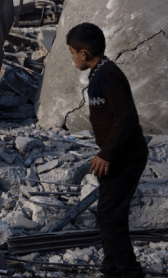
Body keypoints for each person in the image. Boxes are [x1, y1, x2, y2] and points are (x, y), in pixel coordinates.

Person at [66, 23, 149, 278]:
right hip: (119, 155)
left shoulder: (107, 76)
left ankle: (128, 272)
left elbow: (126, 117)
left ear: (83, 54)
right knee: (111, 215)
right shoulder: (99, 74)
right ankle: (112, 269)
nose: (71, 58)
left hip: (126, 156)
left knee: (109, 216)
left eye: (72, 52)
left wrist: (106, 154)